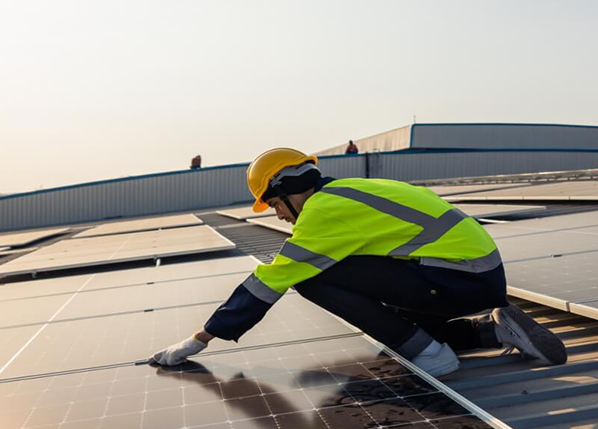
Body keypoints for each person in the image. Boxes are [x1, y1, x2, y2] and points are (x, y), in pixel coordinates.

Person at [153, 148, 567, 375]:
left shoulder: (322, 211)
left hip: (457, 277)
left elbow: (271, 279)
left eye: (275, 204)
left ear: (287, 191)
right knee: (388, 323)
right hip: (474, 275)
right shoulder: (349, 190)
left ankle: (431, 354)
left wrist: (201, 337)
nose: (278, 215)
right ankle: (492, 332)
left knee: (313, 277)